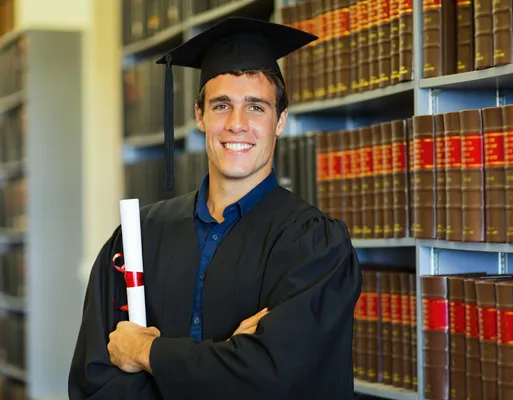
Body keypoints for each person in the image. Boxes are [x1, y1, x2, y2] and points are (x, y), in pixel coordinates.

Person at [68, 16, 362, 400]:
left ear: (280, 121)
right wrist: (229, 362)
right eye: (222, 105)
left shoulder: (316, 246)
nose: (237, 124)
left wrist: (146, 352)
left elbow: (278, 379)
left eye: (256, 107)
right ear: (200, 116)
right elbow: (95, 380)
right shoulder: (138, 237)